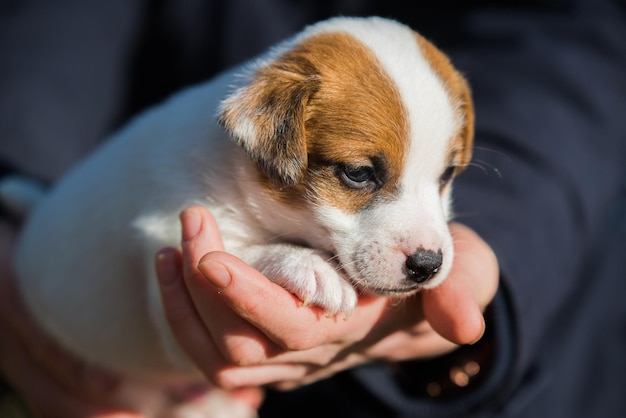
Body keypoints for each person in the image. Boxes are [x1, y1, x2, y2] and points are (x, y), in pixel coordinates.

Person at [1, 1, 626, 417]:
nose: (429, 241)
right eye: (360, 175)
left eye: (442, 178)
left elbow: (591, 36)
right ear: (270, 138)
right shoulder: (220, 141)